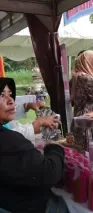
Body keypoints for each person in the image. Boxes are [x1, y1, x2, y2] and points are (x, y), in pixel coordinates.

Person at [0, 77, 67, 213]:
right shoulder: (8, 140)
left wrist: (27, 106)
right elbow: (50, 172)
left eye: (10, 95)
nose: (11, 100)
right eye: (2, 95)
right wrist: (55, 147)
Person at [70, 50, 93, 149]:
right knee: (87, 153)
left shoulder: (79, 75)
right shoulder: (84, 77)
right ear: (87, 62)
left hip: (83, 119)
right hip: (85, 122)